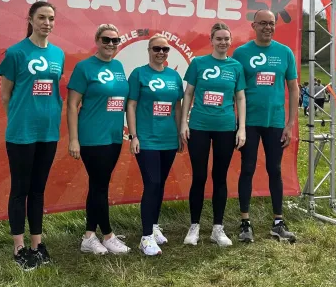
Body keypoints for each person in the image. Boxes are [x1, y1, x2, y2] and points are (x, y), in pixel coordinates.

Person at [0, 1, 65, 270]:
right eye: (41, 18)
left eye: (51, 18)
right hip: (21, 133)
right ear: (30, 19)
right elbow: (6, 95)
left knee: (38, 190)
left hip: (48, 132)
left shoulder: (58, 54)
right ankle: (19, 247)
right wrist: (19, 117)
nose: (46, 23)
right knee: (20, 190)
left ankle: (37, 244)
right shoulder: (15, 53)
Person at [232, 9, 299, 243]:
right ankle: (245, 223)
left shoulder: (284, 52)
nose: (268, 27)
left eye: (271, 23)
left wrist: (290, 124)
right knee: (247, 169)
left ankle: (278, 223)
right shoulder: (241, 53)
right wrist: (237, 123)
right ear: (254, 25)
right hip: (248, 122)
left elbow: (293, 88)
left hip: (276, 123)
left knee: (275, 170)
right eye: (263, 23)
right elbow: (235, 90)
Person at [180, 22, 246, 247]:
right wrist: (183, 123)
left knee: (220, 177)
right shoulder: (198, 63)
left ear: (230, 41)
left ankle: (218, 228)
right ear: (211, 40)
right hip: (199, 126)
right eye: (219, 38)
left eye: (226, 39)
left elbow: (240, 98)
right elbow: (188, 94)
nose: (223, 42)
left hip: (226, 128)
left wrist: (242, 128)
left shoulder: (236, 66)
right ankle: (194, 226)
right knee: (199, 177)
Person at [67, 24, 131, 255]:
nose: (111, 45)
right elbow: (72, 104)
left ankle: (88, 236)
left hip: (113, 136)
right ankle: (108, 235)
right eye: (106, 40)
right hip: (92, 137)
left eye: (115, 41)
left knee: (98, 186)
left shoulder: (119, 66)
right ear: (97, 40)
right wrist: (74, 139)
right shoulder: (84, 67)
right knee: (100, 186)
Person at [126, 34, 184, 256]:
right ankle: (146, 236)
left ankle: (154, 224)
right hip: (147, 139)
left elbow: (177, 107)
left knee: (160, 185)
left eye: (165, 49)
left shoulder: (174, 76)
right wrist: (134, 136)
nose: (161, 52)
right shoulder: (139, 74)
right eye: (156, 48)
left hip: (169, 139)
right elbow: (130, 105)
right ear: (149, 50)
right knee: (152, 183)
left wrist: (180, 132)